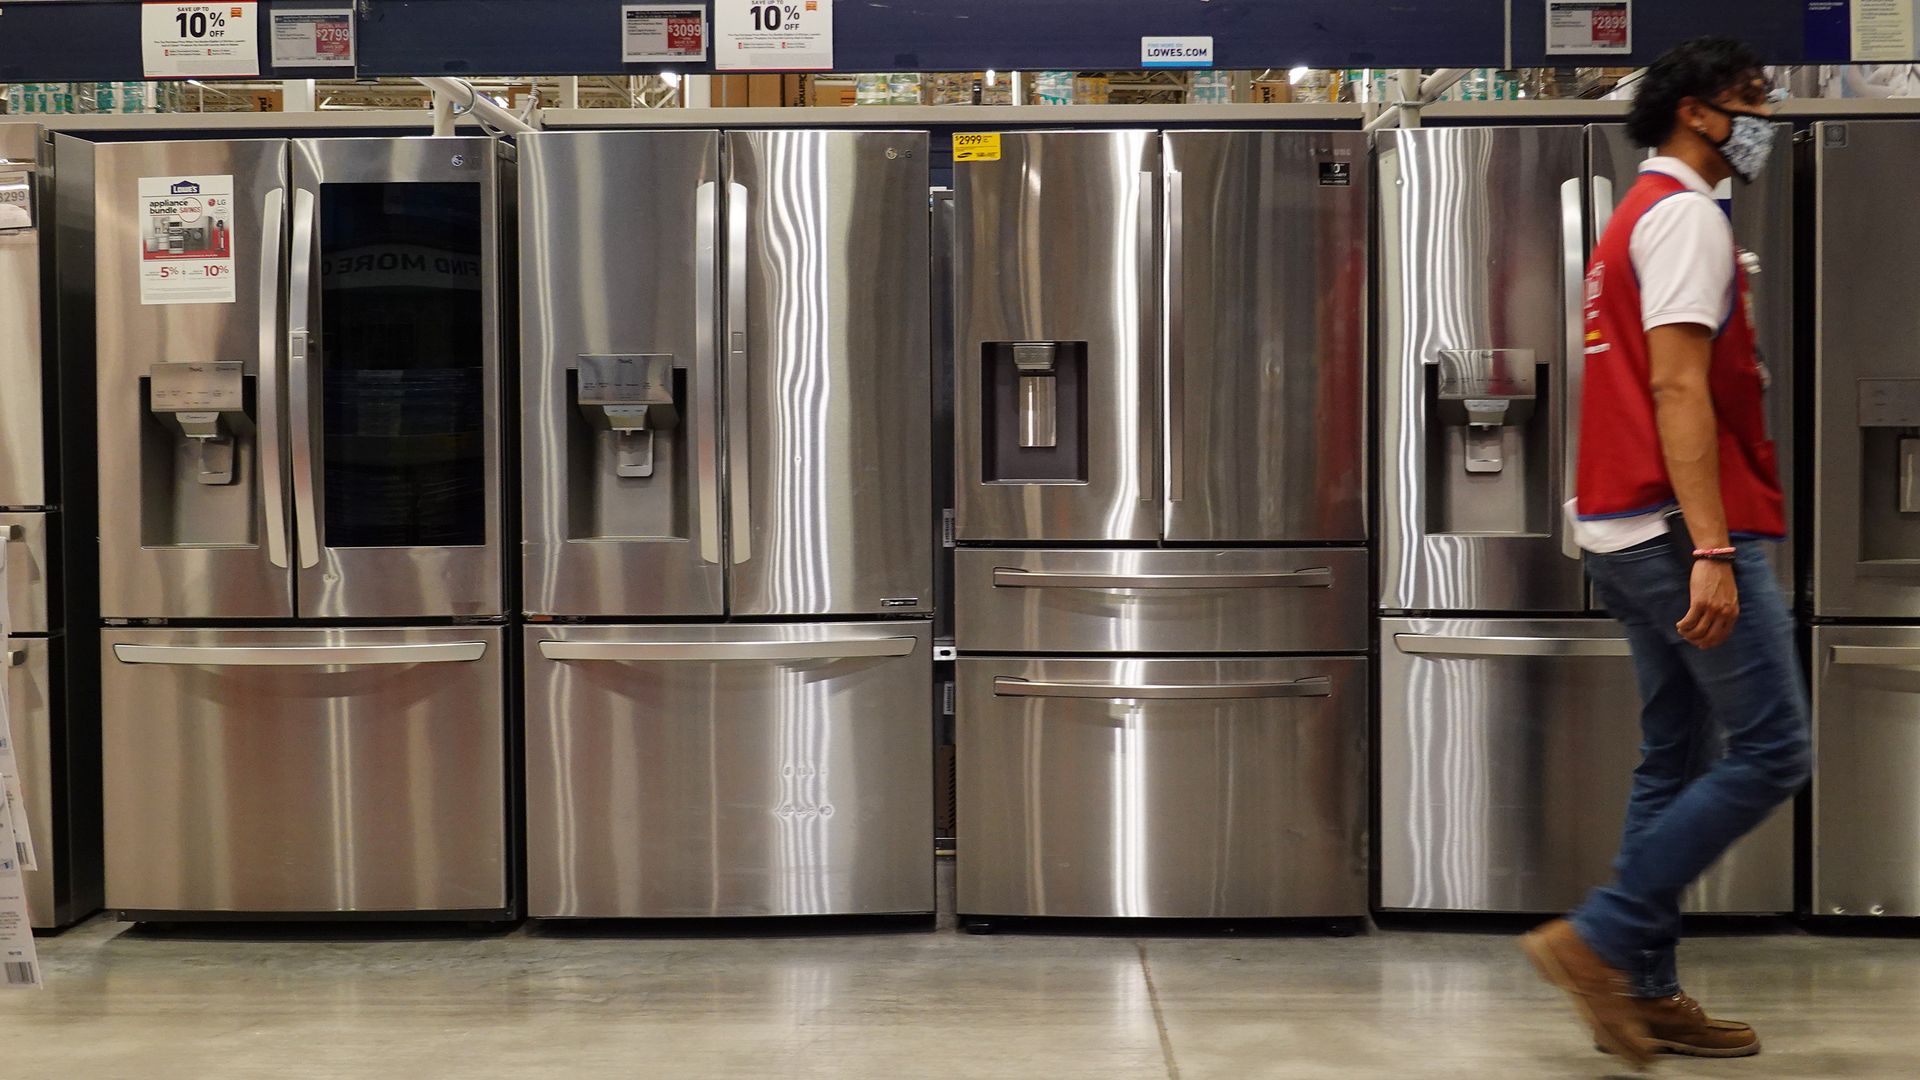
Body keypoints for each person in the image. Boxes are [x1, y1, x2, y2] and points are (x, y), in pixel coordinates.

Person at [1521, 37, 1812, 1068]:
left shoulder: (1633, 218)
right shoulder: (1687, 215)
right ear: (1699, 112)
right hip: (1675, 527)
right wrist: (1715, 549)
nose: (1769, 118)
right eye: (1756, 99)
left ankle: (1639, 990)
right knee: (1777, 747)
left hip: (1619, 522)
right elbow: (1676, 390)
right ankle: (1598, 942)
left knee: (1675, 751)